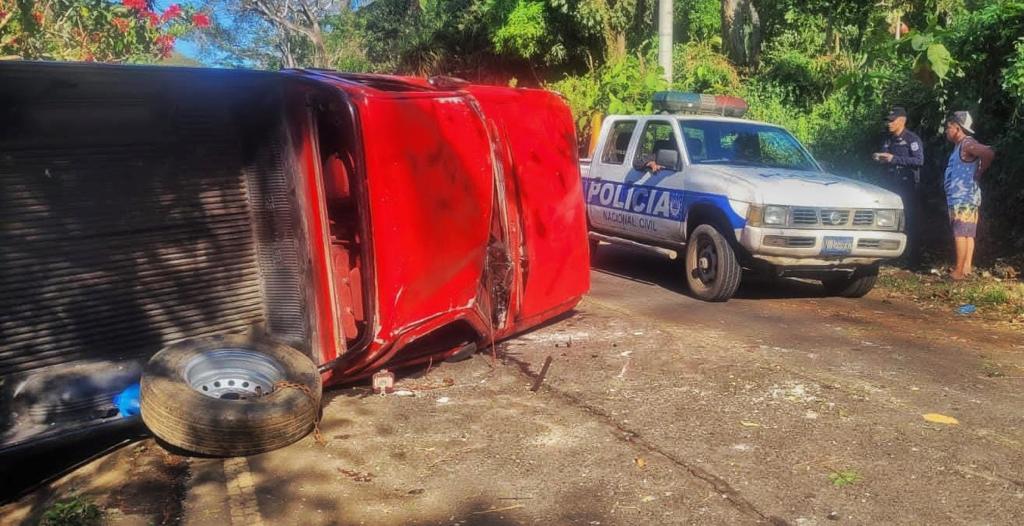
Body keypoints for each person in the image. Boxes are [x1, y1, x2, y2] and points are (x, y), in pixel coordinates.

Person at [942, 111, 995, 280]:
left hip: (962, 197)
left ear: (957, 128)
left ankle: (958, 271)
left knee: (960, 232)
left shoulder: (967, 143)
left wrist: (980, 171)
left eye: (948, 127)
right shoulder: (961, 145)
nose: (946, 131)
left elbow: (988, 152)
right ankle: (966, 268)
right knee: (967, 233)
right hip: (966, 196)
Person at [873, 106, 924, 267]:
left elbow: (919, 161)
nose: (889, 124)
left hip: (908, 186)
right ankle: (890, 255)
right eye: (888, 121)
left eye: (892, 121)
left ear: (902, 121)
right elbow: (885, 157)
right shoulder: (888, 139)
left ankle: (914, 258)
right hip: (890, 185)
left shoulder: (912, 139)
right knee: (889, 219)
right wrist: (879, 157)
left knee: (910, 220)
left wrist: (894, 159)